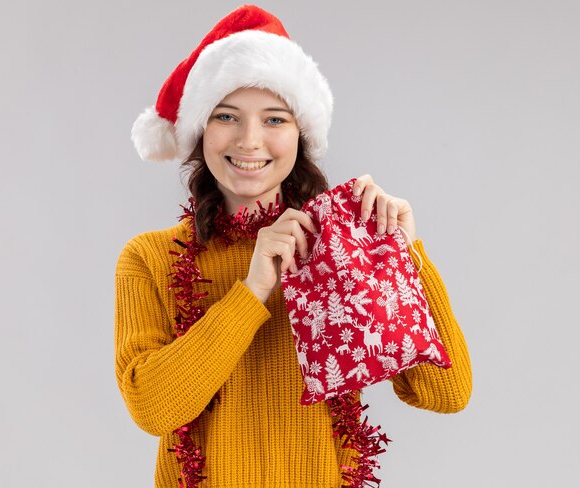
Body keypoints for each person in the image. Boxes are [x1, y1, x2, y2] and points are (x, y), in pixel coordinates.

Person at [115, 5, 472, 487]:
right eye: (227, 116)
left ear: (300, 135)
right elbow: (154, 408)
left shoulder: (341, 246)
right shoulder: (150, 258)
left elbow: (445, 392)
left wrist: (404, 259)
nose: (249, 140)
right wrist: (253, 289)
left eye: (275, 119)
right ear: (200, 129)